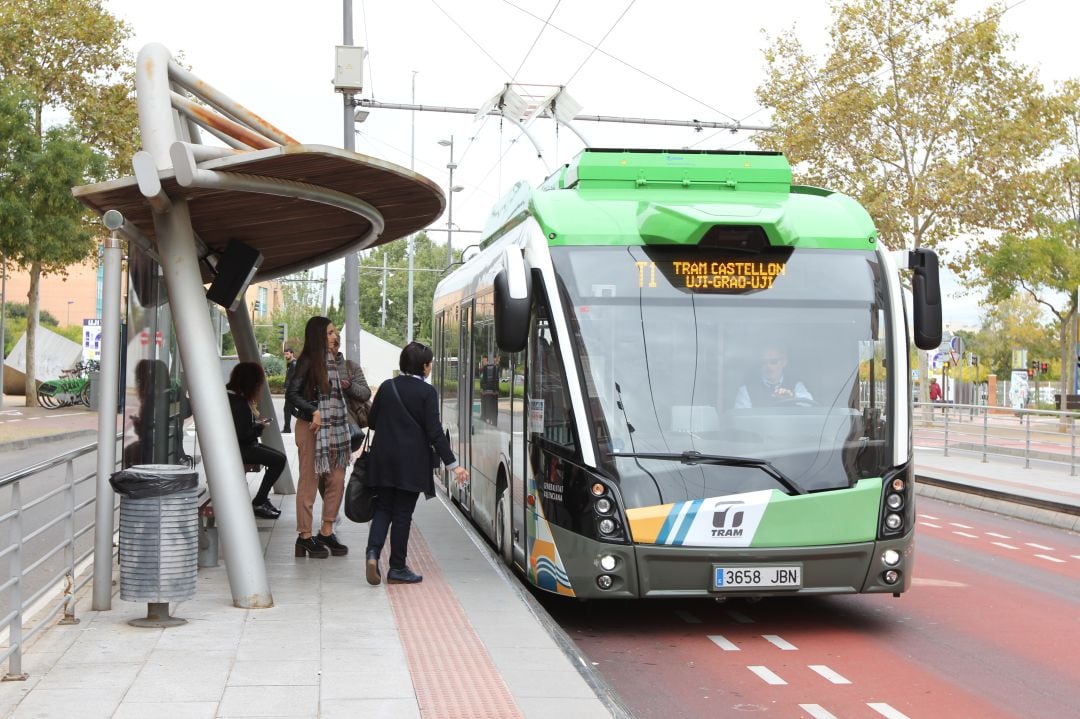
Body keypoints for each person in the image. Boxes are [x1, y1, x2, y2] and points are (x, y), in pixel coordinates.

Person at [364, 342, 469, 585]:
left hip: (383, 459)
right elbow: (435, 432)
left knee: (383, 509)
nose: (430, 367)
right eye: (430, 364)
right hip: (410, 464)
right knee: (402, 514)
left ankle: (372, 553)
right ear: (424, 366)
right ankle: (397, 568)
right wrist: (454, 465)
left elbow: (371, 421)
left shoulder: (388, 387)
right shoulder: (427, 393)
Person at [284, 317, 352, 559]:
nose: (335, 337)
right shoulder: (307, 361)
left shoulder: (335, 361)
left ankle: (326, 531)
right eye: (331, 333)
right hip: (312, 428)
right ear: (318, 336)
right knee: (309, 482)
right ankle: (304, 537)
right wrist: (313, 410)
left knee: (337, 478)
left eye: (335, 333)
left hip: (334, 430)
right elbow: (291, 393)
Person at [226, 362, 284, 520]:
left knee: (279, 457)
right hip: (241, 448)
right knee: (279, 460)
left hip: (234, 447)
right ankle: (259, 501)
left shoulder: (229, 395)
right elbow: (244, 435)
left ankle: (262, 499)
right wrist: (259, 427)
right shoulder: (239, 403)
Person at [329, 332, 372, 451]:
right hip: (321, 427)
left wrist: (349, 387)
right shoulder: (316, 367)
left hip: (347, 427)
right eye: (330, 345)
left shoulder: (350, 366)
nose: (332, 348)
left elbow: (366, 394)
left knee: (339, 467)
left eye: (335, 344)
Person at [734, 345, 813, 408]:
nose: (768, 366)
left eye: (773, 362)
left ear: (784, 362)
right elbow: (741, 419)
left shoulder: (796, 385)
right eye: (764, 362)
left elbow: (810, 405)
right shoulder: (746, 390)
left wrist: (793, 396)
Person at [480, 354, 500, 424]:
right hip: (492, 393)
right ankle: (491, 420)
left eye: (484, 360)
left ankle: (487, 419)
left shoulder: (486, 368)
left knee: (487, 408)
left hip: (487, 393)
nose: (483, 361)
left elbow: (483, 381)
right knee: (492, 408)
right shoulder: (494, 368)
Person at [281, 347, 296, 433]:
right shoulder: (290, 364)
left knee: (287, 409)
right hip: (291, 390)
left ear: (292, 353)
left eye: (287, 354)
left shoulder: (294, 364)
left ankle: (287, 428)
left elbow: (292, 378)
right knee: (290, 409)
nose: (286, 356)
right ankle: (308, 420)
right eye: (285, 354)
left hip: (291, 390)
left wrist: (287, 388)